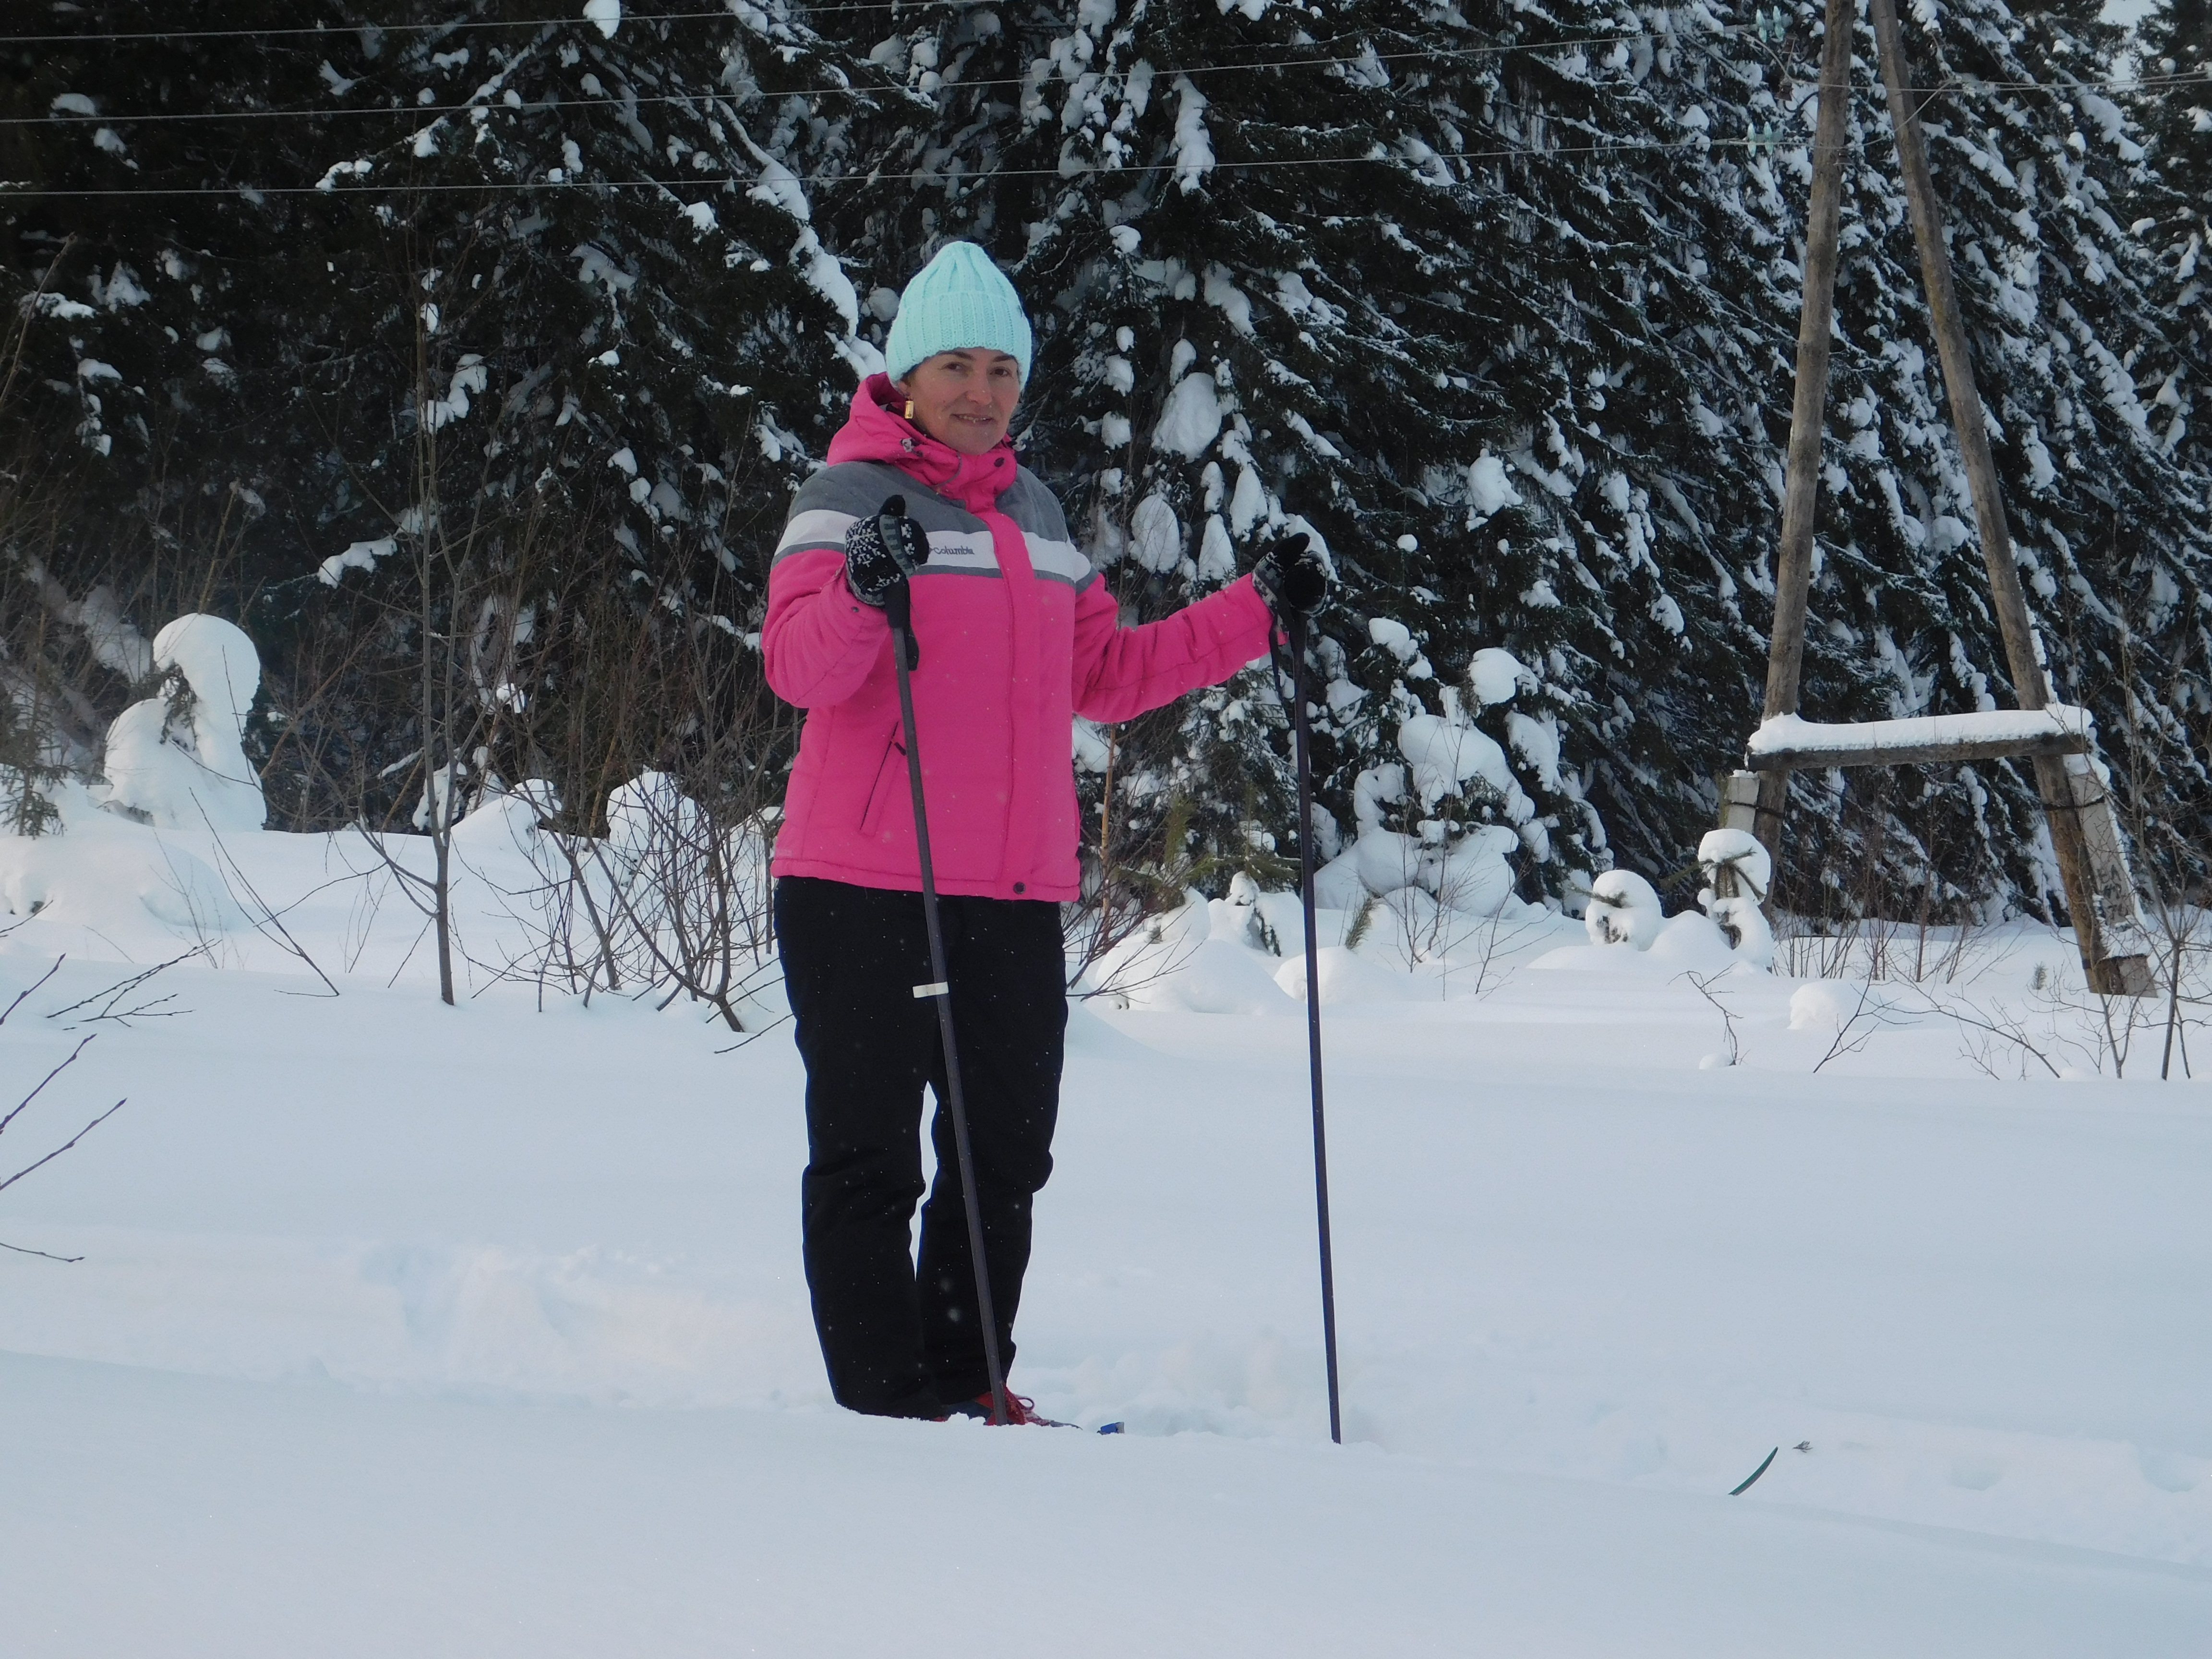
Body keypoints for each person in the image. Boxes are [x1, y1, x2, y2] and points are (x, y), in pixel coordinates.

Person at [761, 241, 1330, 1422]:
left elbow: (1109, 676)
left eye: (1002, 369)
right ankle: (882, 1412)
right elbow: (800, 670)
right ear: (907, 376)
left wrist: (1255, 611)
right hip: (865, 886)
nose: (980, 391)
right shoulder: (845, 498)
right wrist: (865, 587)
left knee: (1001, 1160)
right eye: (957, 366)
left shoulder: (1039, 517)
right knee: (871, 1156)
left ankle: (970, 1389)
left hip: (1011, 894)